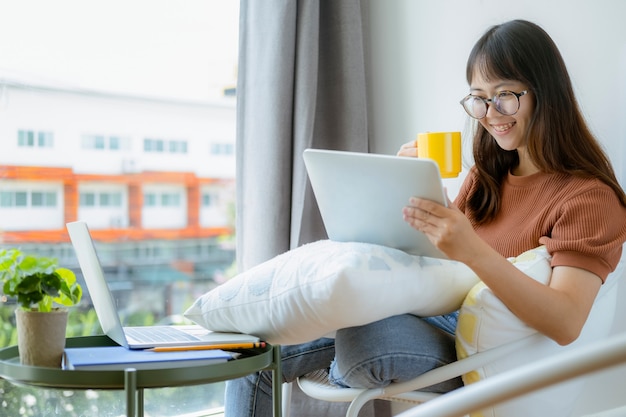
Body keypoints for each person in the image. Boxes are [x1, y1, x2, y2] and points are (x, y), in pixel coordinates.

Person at [225, 19, 626, 416]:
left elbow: (566, 322)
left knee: (364, 344)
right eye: (478, 98)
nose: (489, 113)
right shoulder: (486, 178)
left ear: (545, 93)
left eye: (505, 95)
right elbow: (443, 270)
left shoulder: (589, 199)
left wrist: (473, 251)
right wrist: (404, 197)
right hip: (431, 317)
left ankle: (344, 361)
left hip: (483, 355)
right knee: (250, 349)